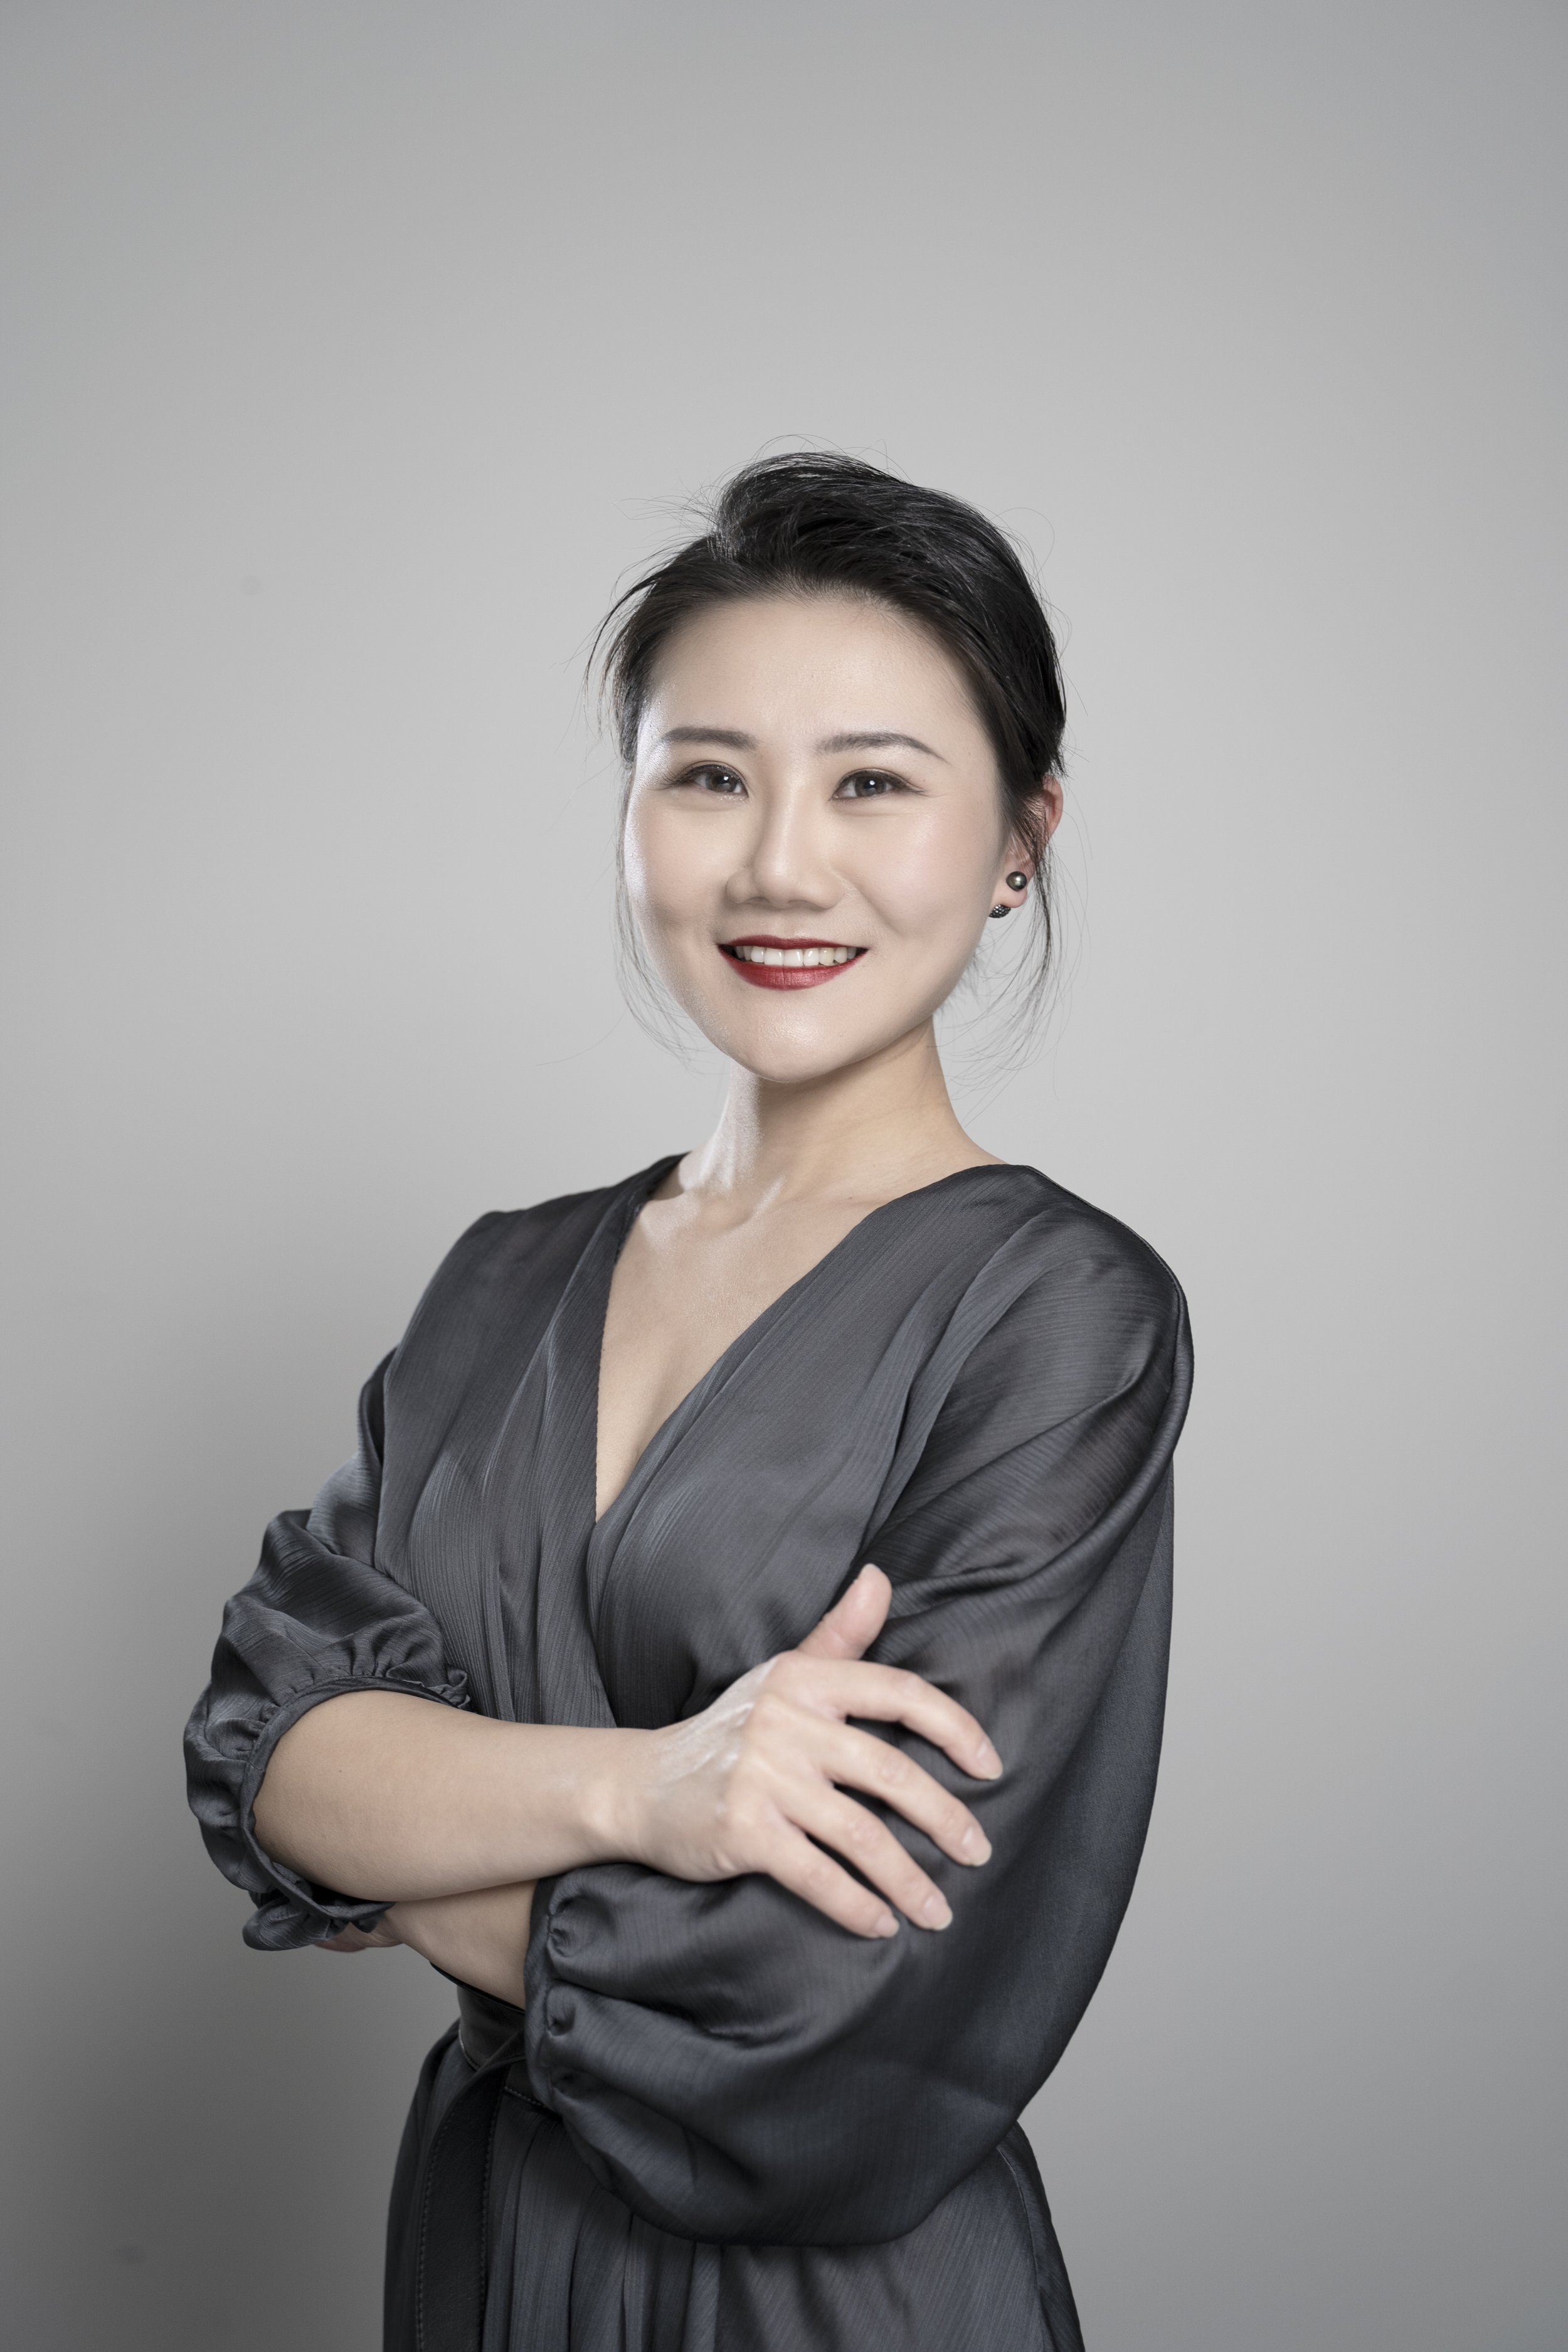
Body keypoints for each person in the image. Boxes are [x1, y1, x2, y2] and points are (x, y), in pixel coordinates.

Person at [185, 452, 1192, 2352]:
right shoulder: (498, 1284)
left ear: (1020, 838)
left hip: (838, 2302)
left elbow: (830, 2025)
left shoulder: (1057, 1317)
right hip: (486, 2258)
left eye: (873, 782)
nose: (779, 866)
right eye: (709, 774)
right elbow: (270, 1756)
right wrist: (656, 1790)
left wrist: (417, 1870)